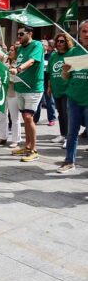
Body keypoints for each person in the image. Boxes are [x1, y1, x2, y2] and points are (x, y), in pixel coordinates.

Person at [9, 25, 44, 162]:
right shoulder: (21, 48)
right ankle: (27, 146)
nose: (19, 36)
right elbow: (19, 61)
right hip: (20, 87)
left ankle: (34, 150)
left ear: (30, 33)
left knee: (29, 117)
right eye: (18, 34)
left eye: (21, 34)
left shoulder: (37, 45)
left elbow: (31, 61)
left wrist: (18, 69)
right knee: (25, 117)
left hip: (33, 88)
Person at [58, 20, 88, 173]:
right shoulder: (74, 52)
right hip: (74, 98)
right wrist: (65, 71)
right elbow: (65, 77)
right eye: (84, 31)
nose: (87, 34)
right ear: (80, 34)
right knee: (72, 132)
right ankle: (69, 160)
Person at [48, 33, 73, 148]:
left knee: (67, 113)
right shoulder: (53, 55)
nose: (59, 43)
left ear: (67, 42)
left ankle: (69, 137)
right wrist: (49, 87)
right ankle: (63, 134)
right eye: (57, 41)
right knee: (60, 114)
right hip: (56, 88)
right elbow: (50, 73)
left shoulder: (71, 54)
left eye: (62, 41)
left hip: (67, 89)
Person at [34, 40, 57, 126]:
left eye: (42, 45)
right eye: (40, 44)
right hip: (38, 81)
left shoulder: (51, 56)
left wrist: (50, 85)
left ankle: (51, 119)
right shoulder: (37, 55)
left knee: (49, 100)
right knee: (38, 101)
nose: (41, 46)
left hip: (48, 81)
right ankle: (35, 119)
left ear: (47, 47)